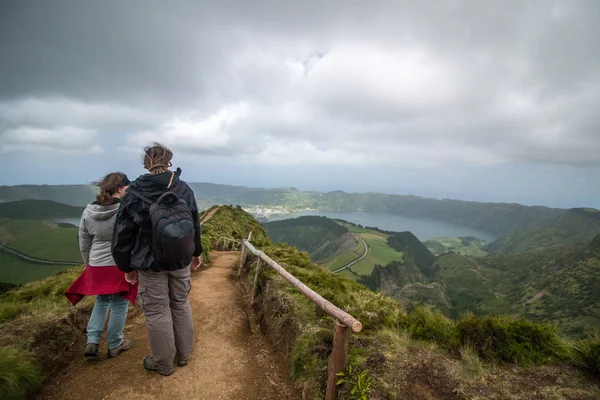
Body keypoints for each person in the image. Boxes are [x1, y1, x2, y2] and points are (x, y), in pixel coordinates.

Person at [112, 142, 203, 376]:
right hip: (180, 258)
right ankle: (183, 356)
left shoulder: (133, 193)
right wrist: (196, 252)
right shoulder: (182, 188)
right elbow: (194, 223)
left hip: (150, 263)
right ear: (169, 161)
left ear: (146, 163)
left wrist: (126, 266)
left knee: (157, 310)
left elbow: (123, 233)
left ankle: (163, 363)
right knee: (180, 304)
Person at [65, 172, 137, 359]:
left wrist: (88, 264)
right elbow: (131, 239)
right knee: (119, 304)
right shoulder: (124, 210)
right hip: (118, 264)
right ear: (120, 188)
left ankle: (92, 341)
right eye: (126, 187)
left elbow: (84, 241)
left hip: (97, 265)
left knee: (102, 300)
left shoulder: (89, 211)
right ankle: (115, 343)